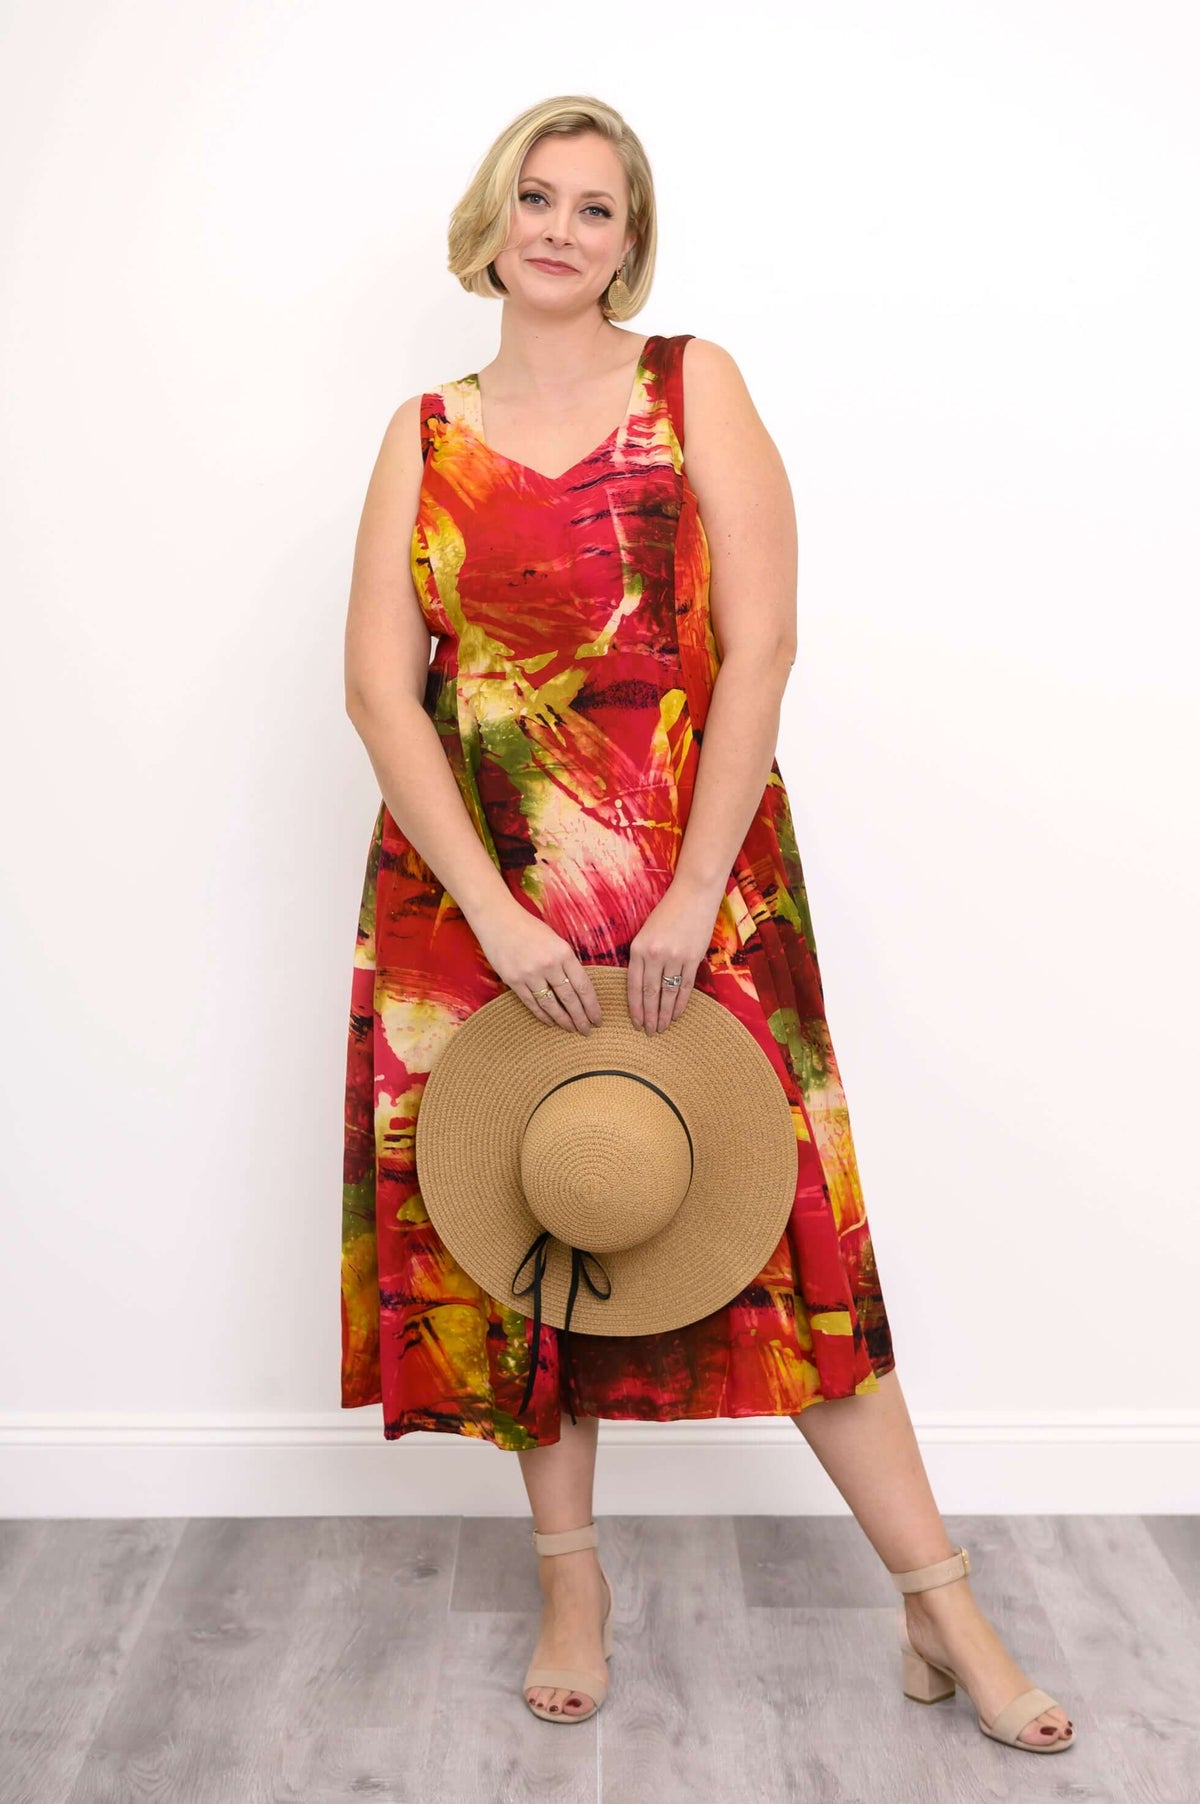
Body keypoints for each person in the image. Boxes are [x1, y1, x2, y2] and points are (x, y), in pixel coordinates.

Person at [339, 95, 1075, 1748]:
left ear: (629, 242)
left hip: (700, 889)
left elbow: (763, 648)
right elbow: (383, 695)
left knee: (791, 1248)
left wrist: (685, 893)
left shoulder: (693, 387)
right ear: (492, 216)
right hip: (479, 910)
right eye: (536, 196)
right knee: (531, 1227)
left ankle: (941, 1603)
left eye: (596, 210)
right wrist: (495, 915)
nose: (559, 229)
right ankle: (570, 1579)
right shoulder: (422, 431)